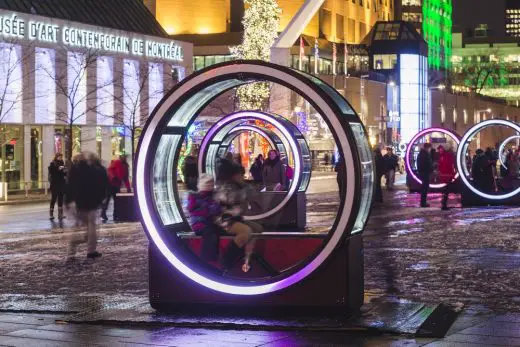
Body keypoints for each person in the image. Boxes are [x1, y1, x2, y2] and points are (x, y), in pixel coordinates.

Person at [215, 161, 262, 270]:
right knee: (246, 231)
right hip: (223, 219)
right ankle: (226, 260)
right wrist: (245, 189)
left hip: (235, 218)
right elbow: (232, 199)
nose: (242, 176)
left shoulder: (239, 185)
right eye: (240, 174)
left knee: (258, 228)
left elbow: (252, 196)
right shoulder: (225, 186)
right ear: (234, 175)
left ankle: (246, 256)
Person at [66, 152, 107, 260]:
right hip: (92, 203)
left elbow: (70, 187)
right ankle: (90, 250)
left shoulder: (75, 171)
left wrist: (68, 201)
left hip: (79, 203)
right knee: (92, 228)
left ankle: (71, 252)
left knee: (78, 228)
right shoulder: (94, 170)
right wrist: (100, 199)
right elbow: (100, 186)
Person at [187, 174, 222, 262]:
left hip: (211, 222)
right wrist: (208, 210)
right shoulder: (193, 196)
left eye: (211, 183)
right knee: (210, 233)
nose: (209, 185)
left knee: (217, 231)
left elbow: (217, 210)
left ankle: (217, 259)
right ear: (201, 184)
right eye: (207, 183)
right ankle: (206, 260)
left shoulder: (214, 196)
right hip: (199, 223)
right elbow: (192, 210)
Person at [101, 154, 132, 221]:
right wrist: (113, 177)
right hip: (111, 183)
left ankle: (115, 215)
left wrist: (128, 187)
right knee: (108, 199)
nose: (124, 158)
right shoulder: (117, 162)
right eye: (123, 157)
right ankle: (104, 212)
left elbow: (125, 178)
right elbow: (110, 170)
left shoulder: (126, 166)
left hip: (117, 184)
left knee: (116, 201)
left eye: (125, 157)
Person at [48, 153, 67, 220]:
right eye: (59, 157)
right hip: (55, 184)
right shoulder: (52, 163)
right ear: (56, 157)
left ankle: (60, 214)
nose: (60, 158)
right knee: (53, 198)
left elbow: (64, 174)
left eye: (61, 157)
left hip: (61, 183)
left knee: (61, 198)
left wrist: (64, 170)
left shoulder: (62, 163)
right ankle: (51, 214)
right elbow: (51, 172)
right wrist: (58, 169)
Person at [437, 146, 456, 210]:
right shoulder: (446, 156)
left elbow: (443, 165)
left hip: (445, 175)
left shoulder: (443, 156)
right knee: (446, 190)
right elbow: (451, 166)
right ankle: (444, 204)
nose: (439, 151)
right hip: (447, 175)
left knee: (445, 190)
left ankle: (444, 203)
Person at [417, 143, 433, 207]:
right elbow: (426, 164)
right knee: (425, 188)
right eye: (429, 148)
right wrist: (431, 168)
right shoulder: (424, 155)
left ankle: (423, 202)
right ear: (427, 148)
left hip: (423, 173)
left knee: (424, 188)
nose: (430, 149)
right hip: (425, 173)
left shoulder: (422, 154)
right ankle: (423, 203)